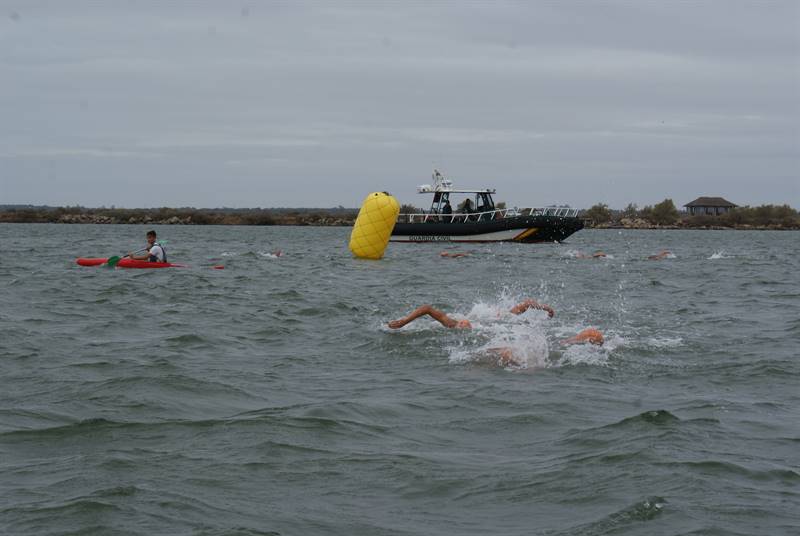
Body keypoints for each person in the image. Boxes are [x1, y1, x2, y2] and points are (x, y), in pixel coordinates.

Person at [387, 299, 555, 330]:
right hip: (494, 320)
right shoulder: (452, 323)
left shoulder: (486, 321)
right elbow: (426, 308)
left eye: (463, 324)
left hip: (495, 318)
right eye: (464, 324)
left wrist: (547, 309)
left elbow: (527, 303)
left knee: (517, 309)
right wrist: (404, 322)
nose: (464, 324)